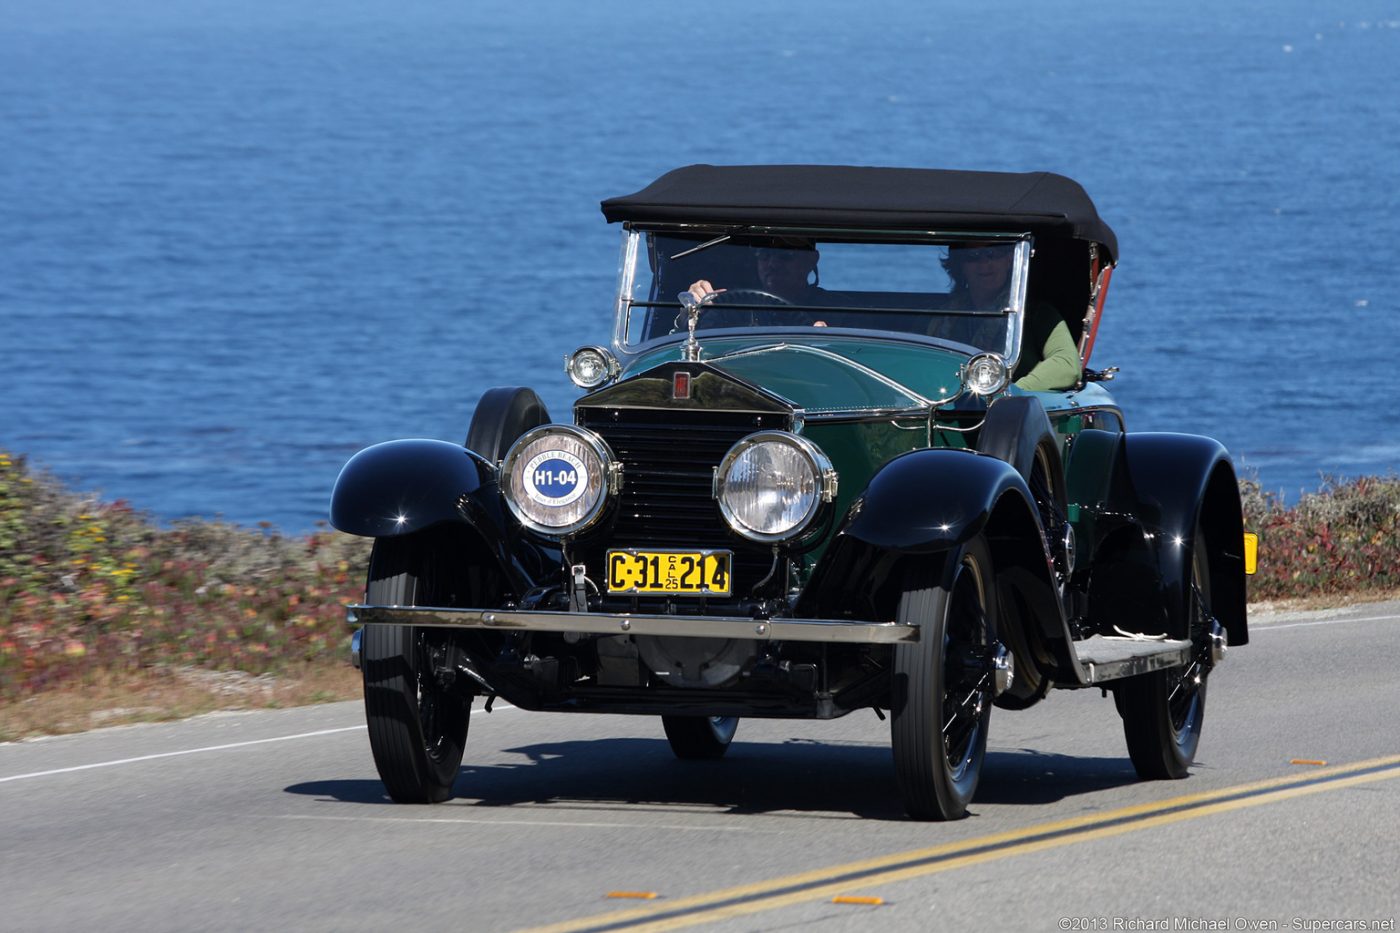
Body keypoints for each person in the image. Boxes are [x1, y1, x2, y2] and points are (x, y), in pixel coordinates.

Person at [943, 243, 1080, 392]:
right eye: (972, 256)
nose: (984, 263)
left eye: (992, 254)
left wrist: (1012, 392)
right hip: (945, 402)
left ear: (1009, 261)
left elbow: (1066, 364)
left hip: (1013, 410)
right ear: (960, 266)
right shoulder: (943, 316)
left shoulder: (1037, 313)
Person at [687, 239, 823, 309]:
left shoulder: (836, 310)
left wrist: (823, 339)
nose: (772, 264)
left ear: (811, 260)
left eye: (785, 255)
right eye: (764, 254)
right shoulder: (731, 307)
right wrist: (694, 304)